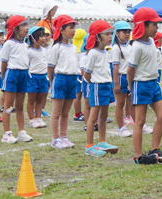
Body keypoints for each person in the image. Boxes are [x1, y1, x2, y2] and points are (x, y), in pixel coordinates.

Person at [127, 7, 162, 164]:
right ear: (143, 25)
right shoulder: (137, 46)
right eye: (154, 25)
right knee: (140, 120)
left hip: (153, 84)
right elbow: (130, 68)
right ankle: (139, 156)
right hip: (141, 84)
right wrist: (131, 87)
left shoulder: (151, 42)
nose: (156, 28)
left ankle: (154, 149)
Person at [82, 20, 118, 158]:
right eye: (107, 34)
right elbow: (87, 73)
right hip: (97, 86)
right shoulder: (93, 53)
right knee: (93, 117)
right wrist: (94, 83)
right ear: (98, 37)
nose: (110, 37)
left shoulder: (105, 52)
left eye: (111, 34)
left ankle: (102, 141)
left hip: (106, 85)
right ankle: (89, 145)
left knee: (104, 116)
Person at [47, 15, 80, 149]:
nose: (73, 31)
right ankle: (55, 139)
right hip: (60, 79)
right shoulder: (56, 47)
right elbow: (50, 66)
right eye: (70, 28)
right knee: (56, 113)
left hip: (72, 80)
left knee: (66, 112)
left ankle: (63, 136)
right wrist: (52, 81)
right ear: (61, 30)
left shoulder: (73, 48)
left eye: (74, 28)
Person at [0, 15, 33, 144]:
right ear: (15, 29)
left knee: (19, 106)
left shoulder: (25, 45)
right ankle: (7, 133)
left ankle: (21, 132)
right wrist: (3, 78)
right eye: (24, 25)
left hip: (23, 74)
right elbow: (4, 62)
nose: (27, 28)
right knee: (8, 106)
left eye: (26, 25)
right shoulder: (8, 44)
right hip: (12, 74)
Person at [110, 21, 134, 137]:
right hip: (121, 77)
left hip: (130, 77)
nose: (127, 34)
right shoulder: (115, 48)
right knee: (120, 103)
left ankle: (138, 123)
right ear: (117, 33)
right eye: (124, 32)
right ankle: (121, 127)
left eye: (129, 31)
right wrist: (116, 83)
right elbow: (115, 66)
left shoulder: (130, 47)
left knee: (132, 103)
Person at [25, 27, 50, 129]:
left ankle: (39, 117)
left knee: (40, 99)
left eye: (44, 36)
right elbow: (26, 65)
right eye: (41, 36)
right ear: (32, 38)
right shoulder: (29, 51)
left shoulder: (44, 51)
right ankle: (32, 119)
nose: (44, 38)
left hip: (43, 77)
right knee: (31, 100)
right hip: (32, 77)